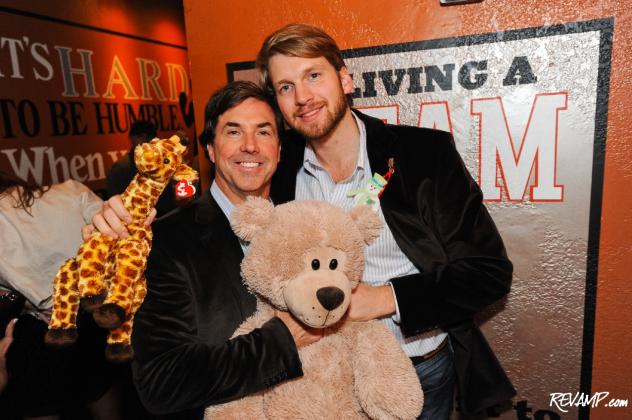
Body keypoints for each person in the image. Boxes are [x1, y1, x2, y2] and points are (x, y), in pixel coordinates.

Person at [256, 24, 516, 419]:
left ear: (344, 78)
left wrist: (384, 299)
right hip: (320, 378)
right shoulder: (279, 167)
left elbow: (488, 272)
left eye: (313, 75)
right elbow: (227, 211)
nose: (303, 97)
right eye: (285, 87)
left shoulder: (422, 154)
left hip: (417, 370)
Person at [92, 81, 322, 419]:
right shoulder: (164, 242)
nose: (249, 146)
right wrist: (283, 340)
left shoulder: (306, 225)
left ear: (279, 148)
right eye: (233, 132)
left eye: (263, 132)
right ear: (211, 150)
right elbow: (162, 382)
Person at [0, 171, 121, 420]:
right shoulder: (71, 191)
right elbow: (117, 238)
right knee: (99, 387)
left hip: (39, 334)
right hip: (92, 317)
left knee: (40, 405)